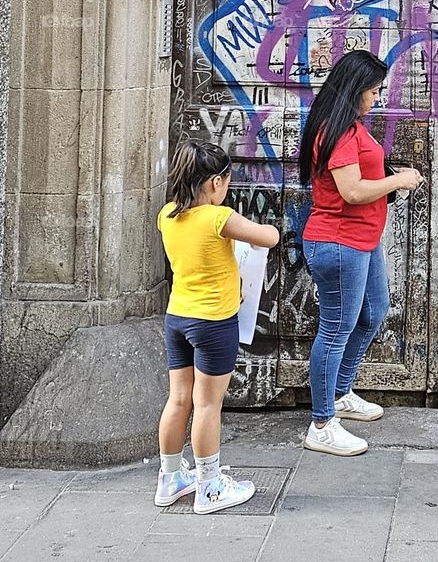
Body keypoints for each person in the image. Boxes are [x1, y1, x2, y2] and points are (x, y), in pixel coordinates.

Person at [300, 49, 423, 457]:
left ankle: (339, 393)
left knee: (373, 313)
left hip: (361, 240)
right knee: (335, 330)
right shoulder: (335, 132)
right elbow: (351, 192)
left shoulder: (349, 125)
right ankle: (321, 423)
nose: (376, 98)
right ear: (354, 90)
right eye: (373, 91)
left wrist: (386, 173)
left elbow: (359, 176)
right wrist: (399, 181)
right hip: (339, 243)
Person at [154, 140, 280, 513]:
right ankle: (209, 487)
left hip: (177, 318)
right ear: (213, 184)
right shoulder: (218, 218)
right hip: (213, 323)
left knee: (178, 399)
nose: (226, 189)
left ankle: (171, 478)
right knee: (207, 404)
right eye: (226, 181)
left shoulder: (167, 215)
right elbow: (269, 237)